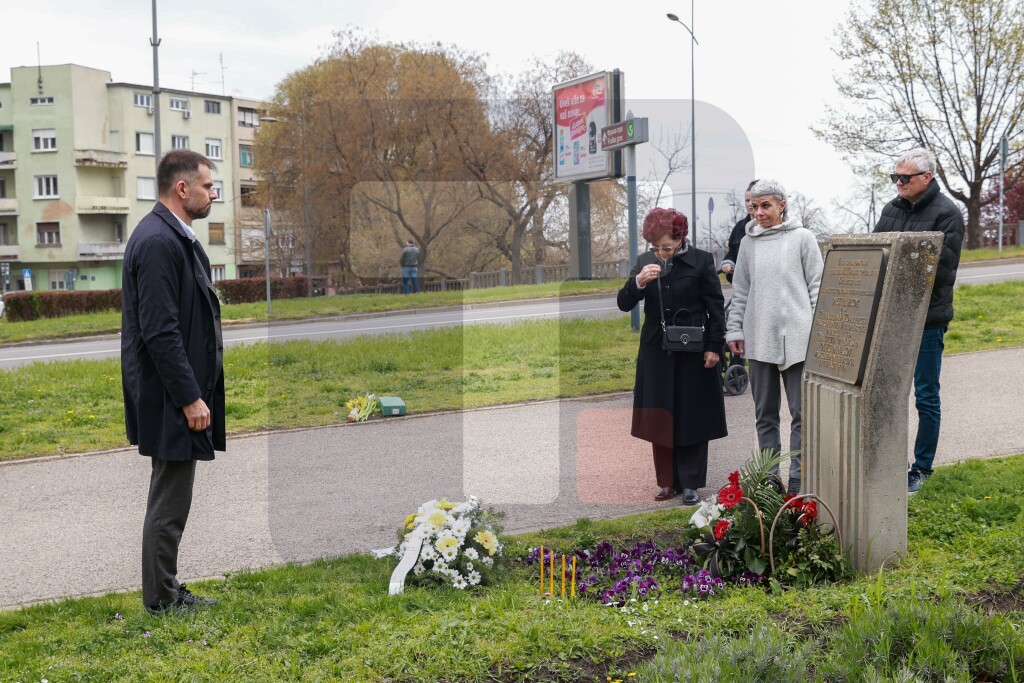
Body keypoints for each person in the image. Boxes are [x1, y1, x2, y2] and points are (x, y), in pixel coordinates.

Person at [121, 149, 225, 615]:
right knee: (169, 500)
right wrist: (190, 397)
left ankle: (165, 590)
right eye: (207, 186)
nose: (212, 195)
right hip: (170, 397)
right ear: (182, 189)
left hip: (173, 394)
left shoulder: (171, 236)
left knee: (172, 497)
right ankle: (162, 599)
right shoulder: (159, 241)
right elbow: (159, 330)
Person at [617, 207, 728, 506]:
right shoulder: (645, 263)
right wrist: (638, 282)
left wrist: (714, 346)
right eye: (656, 248)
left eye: (667, 247)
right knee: (660, 415)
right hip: (657, 351)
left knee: (692, 414)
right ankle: (667, 481)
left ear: (680, 238)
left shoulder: (702, 261)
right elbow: (624, 303)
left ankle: (690, 483)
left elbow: (715, 307)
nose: (661, 253)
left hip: (694, 349)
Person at [873, 148, 964, 493]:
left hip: (927, 321)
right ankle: (888, 462)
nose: (898, 183)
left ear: (926, 178)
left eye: (905, 178)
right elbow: (877, 253)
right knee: (888, 393)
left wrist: (901, 266)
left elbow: (941, 272)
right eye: (895, 177)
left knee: (925, 396)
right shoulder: (890, 209)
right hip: (891, 319)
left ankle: (922, 468)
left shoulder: (948, 214)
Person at [726, 179, 823, 495]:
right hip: (759, 338)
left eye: (766, 205)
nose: (759, 212)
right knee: (764, 414)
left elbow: (817, 287)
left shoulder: (803, 239)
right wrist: (735, 328)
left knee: (801, 413)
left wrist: (817, 332)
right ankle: (769, 476)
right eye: (754, 206)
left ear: (782, 204)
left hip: (798, 339)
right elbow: (740, 290)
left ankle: (798, 475)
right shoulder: (748, 243)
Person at [719, 180, 758, 284]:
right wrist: (728, 263)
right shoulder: (739, 227)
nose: (750, 204)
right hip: (743, 284)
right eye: (747, 200)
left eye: (753, 200)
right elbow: (732, 251)